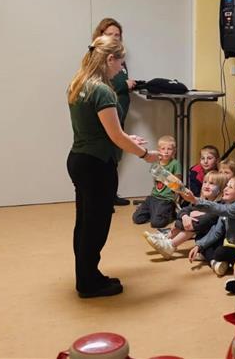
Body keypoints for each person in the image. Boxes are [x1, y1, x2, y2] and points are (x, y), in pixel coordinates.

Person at [66, 35, 159, 298]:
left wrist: (128, 139)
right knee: (95, 226)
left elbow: (105, 131)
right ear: (109, 59)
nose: (121, 69)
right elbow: (115, 136)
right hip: (97, 165)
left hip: (79, 160)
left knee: (85, 223)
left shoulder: (78, 83)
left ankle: (87, 274)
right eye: (120, 62)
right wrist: (144, 154)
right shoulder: (102, 91)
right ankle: (88, 284)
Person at [92, 18, 136, 206]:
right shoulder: (97, 58)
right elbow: (105, 84)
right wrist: (124, 84)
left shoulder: (120, 58)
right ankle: (103, 197)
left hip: (120, 114)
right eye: (110, 34)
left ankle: (110, 194)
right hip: (107, 116)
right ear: (100, 35)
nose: (114, 37)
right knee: (104, 158)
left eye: (117, 35)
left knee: (114, 157)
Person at [144, 171, 228, 259]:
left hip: (211, 240)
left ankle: (170, 245)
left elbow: (205, 221)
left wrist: (192, 217)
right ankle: (166, 238)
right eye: (205, 182)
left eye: (212, 183)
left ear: (221, 189)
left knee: (194, 221)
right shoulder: (202, 201)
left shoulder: (220, 206)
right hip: (200, 233)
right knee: (187, 216)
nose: (206, 185)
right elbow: (184, 210)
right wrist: (185, 217)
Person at [181, 177, 235, 276]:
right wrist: (199, 246)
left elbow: (219, 208)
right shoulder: (227, 205)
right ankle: (215, 263)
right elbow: (216, 232)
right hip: (229, 244)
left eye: (230, 187)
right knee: (203, 241)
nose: (225, 189)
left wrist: (195, 200)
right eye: (226, 186)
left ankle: (220, 261)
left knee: (220, 252)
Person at [132, 135, 181, 228]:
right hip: (153, 197)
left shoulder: (175, 163)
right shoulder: (155, 162)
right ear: (159, 150)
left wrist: (175, 198)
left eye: (169, 149)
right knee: (137, 218)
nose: (166, 151)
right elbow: (155, 181)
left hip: (166, 199)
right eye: (163, 149)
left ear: (174, 151)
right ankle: (155, 212)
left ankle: (170, 214)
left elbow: (177, 183)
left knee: (156, 223)